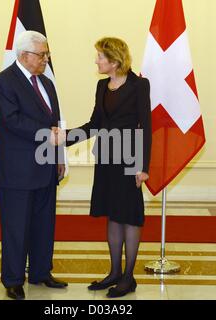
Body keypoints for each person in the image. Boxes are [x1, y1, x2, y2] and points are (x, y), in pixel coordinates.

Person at [66, 37, 152, 298]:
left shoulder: (139, 85)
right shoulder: (102, 86)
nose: (96, 61)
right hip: (105, 158)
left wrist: (143, 166)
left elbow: (146, 127)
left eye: (100, 57)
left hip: (129, 159)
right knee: (113, 214)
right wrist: (66, 137)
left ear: (114, 61)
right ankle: (114, 272)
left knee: (129, 214)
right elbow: (94, 124)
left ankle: (128, 277)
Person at [0, 30, 67, 301]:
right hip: (17, 171)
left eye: (47, 53)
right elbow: (11, 121)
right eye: (42, 54)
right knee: (15, 227)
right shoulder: (4, 82)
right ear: (24, 55)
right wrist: (47, 135)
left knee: (44, 224)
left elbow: (55, 122)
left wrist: (58, 157)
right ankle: (12, 280)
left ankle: (40, 272)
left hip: (46, 167)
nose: (46, 58)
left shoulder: (46, 83)